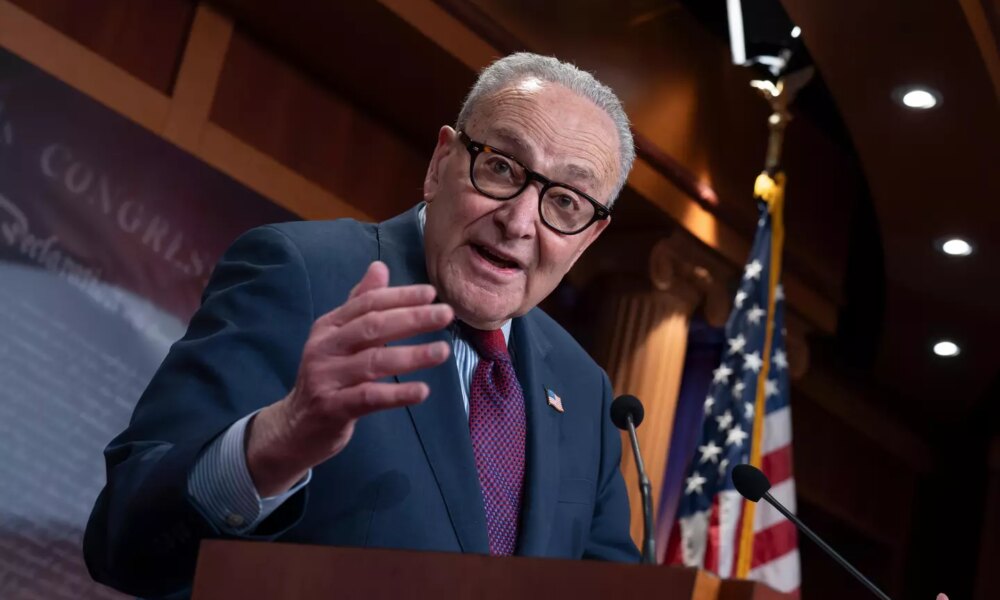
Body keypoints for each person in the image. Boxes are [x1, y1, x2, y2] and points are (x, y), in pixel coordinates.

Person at [84, 53, 639, 598]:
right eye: (500, 167)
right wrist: (274, 444)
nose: (518, 222)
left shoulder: (583, 390)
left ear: (588, 238)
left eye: (565, 202)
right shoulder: (301, 273)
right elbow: (121, 538)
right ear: (441, 163)